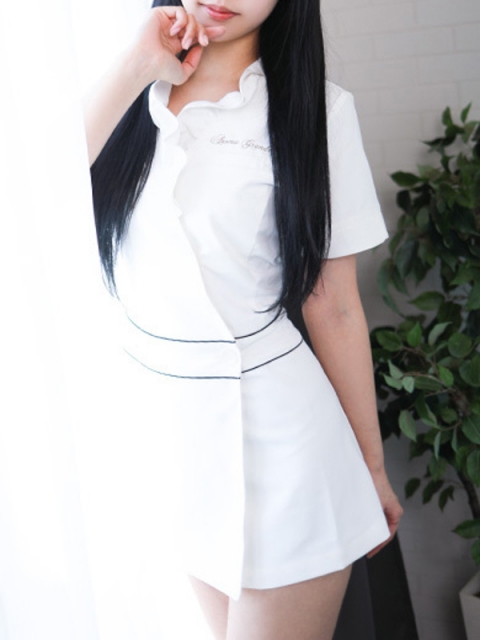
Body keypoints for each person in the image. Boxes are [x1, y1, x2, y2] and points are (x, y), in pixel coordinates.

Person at [84, 1, 404, 638]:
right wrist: (136, 66)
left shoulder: (316, 110)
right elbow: (32, 197)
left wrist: (370, 468)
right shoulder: (128, 92)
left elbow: (334, 303)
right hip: (177, 449)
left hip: (282, 449)